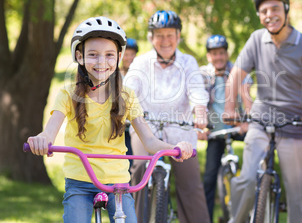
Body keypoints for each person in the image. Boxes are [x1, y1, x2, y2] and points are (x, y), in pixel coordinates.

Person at [26, 16, 194, 223]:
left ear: (119, 57)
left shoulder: (127, 96)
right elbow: (49, 132)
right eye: (93, 55)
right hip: (80, 182)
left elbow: (149, 141)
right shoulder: (68, 94)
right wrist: (42, 140)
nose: (101, 62)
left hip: (119, 184)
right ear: (79, 56)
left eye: (109, 55)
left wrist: (175, 148)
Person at [224, 0, 302, 223]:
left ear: (286, 10)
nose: (269, 15)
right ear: (259, 16)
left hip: (296, 124)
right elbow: (235, 77)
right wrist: (229, 108)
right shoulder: (256, 40)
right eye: (263, 11)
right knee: (247, 179)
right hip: (261, 120)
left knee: (301, 195)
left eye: (275, 9)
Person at [124, 10, 211, 223]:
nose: (165, 40)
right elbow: (127, 91)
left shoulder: (189, 62)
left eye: (170, 35)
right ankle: (133, 219)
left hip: (180, 130)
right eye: (159, 35)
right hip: (145, 127)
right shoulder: (141, 63)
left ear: (178, 36)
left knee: (190, 183)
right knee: (139, 170)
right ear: (151, 37)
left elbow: (197, 90)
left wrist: (199, 110)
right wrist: (121, 111)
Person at [199, 34, 253, 222]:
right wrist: (202, 127)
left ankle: (258, 205)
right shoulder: (204, 75)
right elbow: (200, 102)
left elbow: (247, 97)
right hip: (215, 131)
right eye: (214, 54)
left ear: (227, 54)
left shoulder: (238, 72)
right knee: (209, 178)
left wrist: (248, 121)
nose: (218, 57)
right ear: (209, 56)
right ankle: (206, 218)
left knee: (257, 158)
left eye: (221, 53)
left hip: (239, 128)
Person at [119, 37, 139, 173]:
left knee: (135, 161)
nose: (129, 58)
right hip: (120, 127)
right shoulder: (115, 75)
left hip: (135, 125)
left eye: (132, 54)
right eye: (126, 54)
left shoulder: (139, 75)